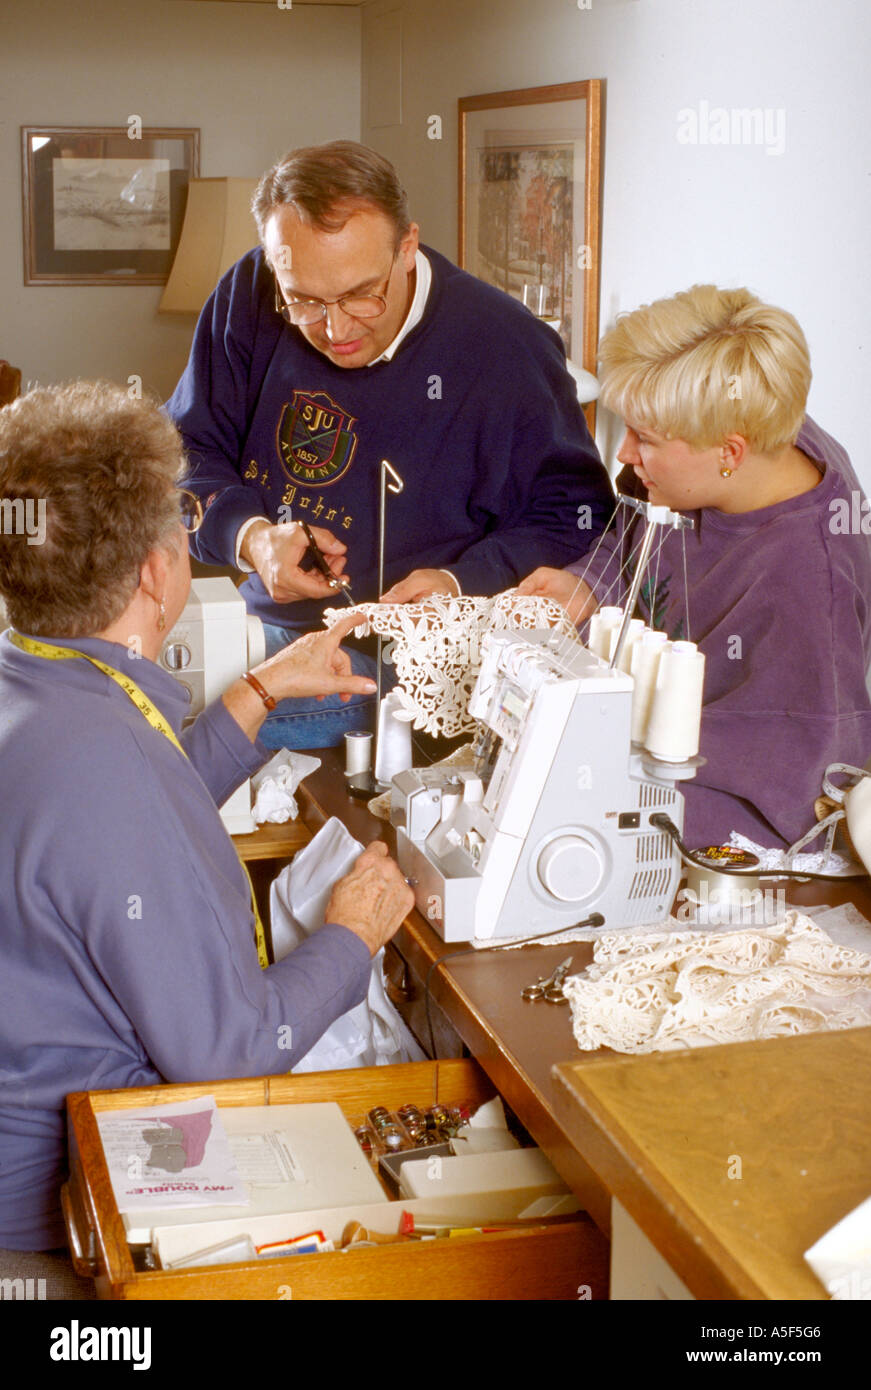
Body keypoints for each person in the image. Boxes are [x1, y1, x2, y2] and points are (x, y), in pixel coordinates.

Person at [0, 382, 414, 1255]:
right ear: (157, 573)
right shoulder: (108, 759)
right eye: (182, 521)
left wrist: (253, 697)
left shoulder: (36, 684)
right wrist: (352, 935)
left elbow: (107, 840)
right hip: (64, 1218)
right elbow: (228, 1053)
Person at [165, 140, 613, 749]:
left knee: (151, 734)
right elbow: (182, 456)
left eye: (360, 294)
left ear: (407, 247)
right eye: (303, 301)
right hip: (265, 628)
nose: (335, 329)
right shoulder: (249, 292)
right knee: (106, 691)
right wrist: (253, 539)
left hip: (415, 672)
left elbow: (577, 519)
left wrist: (461, 582)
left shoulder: (508, 346)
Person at [519, 284, 871, 850]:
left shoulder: (808, 591)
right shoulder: (738, 433)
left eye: (645, 439)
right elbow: (633, 528)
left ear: (730, 453)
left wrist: (601, 805)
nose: (625, 454)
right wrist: (588, 582)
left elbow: (805, 808)